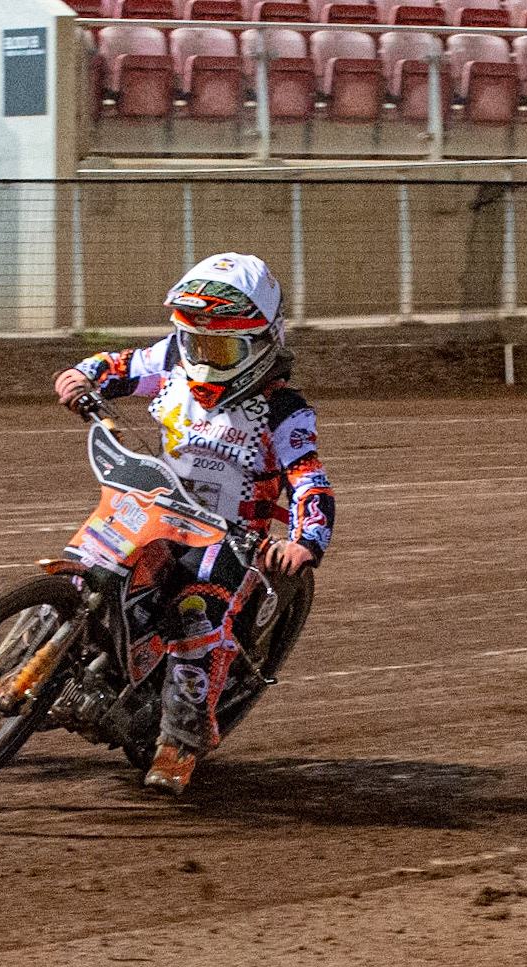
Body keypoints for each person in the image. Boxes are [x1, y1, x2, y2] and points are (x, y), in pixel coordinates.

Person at [53, 252, 335, 796]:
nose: (204, 358)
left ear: (261, 343)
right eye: (195, 342)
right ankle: (46, 658)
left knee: (195, 614)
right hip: (160, 508)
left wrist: (306, 540)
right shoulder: (174, 359)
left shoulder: (283, 409)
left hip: (234, 536)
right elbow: (120, 365)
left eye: (222, 348)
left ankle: (180, 741)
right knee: (85, 568)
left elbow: (309, 479)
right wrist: (83, 375)